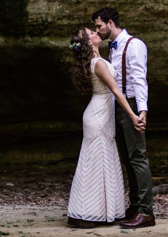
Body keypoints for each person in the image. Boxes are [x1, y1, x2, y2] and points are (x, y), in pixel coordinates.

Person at [66, 26, 146, 229]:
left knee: (101, 161)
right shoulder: (99, 63)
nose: (95, 33)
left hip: (100, 113)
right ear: (87, 43)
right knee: (97, 163)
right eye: (90, 33)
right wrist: (133, 114)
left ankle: (101, 210)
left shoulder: (97, 60)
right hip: (99, 116)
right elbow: (117, 92)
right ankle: (88, 211)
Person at [92, 6, 154, 229]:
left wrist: (142, 111)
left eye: (99, 26)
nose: (97, 31)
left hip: (133, 105)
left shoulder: (134, 44)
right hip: (118, 107)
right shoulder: (112, 48)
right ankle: (136, 206)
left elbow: (139, 79)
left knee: (138, 156)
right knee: (127, 159)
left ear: (110, 23)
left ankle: (147, 212)